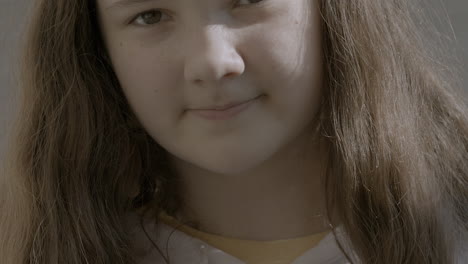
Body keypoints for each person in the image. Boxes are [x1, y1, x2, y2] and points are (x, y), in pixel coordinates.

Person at [0, 0, 467, 263]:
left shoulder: (454, 225)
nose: (212, 61)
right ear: (96, 50)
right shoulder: (44, 248)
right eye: (149, 15)